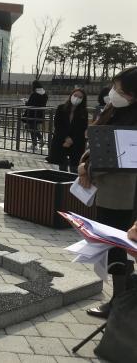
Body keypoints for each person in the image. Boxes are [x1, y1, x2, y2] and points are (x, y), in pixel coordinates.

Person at [78, 67, 137, 318]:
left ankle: (118, 304)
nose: (114, 93)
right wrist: (84, 164)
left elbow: (118, 160)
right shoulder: (113, 110)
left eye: (121, 91)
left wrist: (89, 170)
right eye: (114, 87)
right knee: (112, 246)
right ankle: (121, 299)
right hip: (107, 191)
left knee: (117, 247)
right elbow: (96, 141)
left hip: (123, 196)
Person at [47, 88, 88, 173]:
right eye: (75, 95)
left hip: (76, 142)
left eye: (80, 97)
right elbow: (58, 125)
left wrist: (71, 140)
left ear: (83, 99)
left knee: (74, 168)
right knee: (62, 166)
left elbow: (82, 128)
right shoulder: (61, 108)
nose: (77, 98)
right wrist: (66, 138)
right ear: (71, 95)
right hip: (62, 140)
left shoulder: (84, 112)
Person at [22, 80, 48, 151]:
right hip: (40, 114)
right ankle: (36, 143)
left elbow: (30, 104)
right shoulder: (45, 94)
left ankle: (39, 140)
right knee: (33, 127)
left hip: (32, 114)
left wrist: (25, 101)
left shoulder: (34, 94)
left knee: (31, 127)